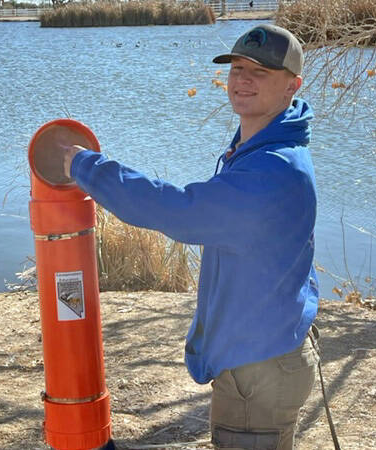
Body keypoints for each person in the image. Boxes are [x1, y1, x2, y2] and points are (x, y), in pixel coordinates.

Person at [54, 24, 319, 450]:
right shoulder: (261, 148)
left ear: (293, 85)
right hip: (263, 354)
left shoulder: (273, 169)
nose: (242, 79)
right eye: (237, 67)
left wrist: (86, 167)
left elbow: (174, 210)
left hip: (259, 370)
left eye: (261, 71)